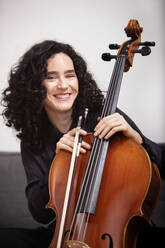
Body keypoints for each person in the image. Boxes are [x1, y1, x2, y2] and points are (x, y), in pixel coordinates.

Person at [0, 40, 163, 247]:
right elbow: (39, 213)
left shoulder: (104, 116)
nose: (63, 85)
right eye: (51, 77)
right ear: (34, 86)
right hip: (66, 234)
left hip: (121, 233)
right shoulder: (34, 136)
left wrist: (138, 140)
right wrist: (56, 161)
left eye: (70, 75)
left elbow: (162, 164)